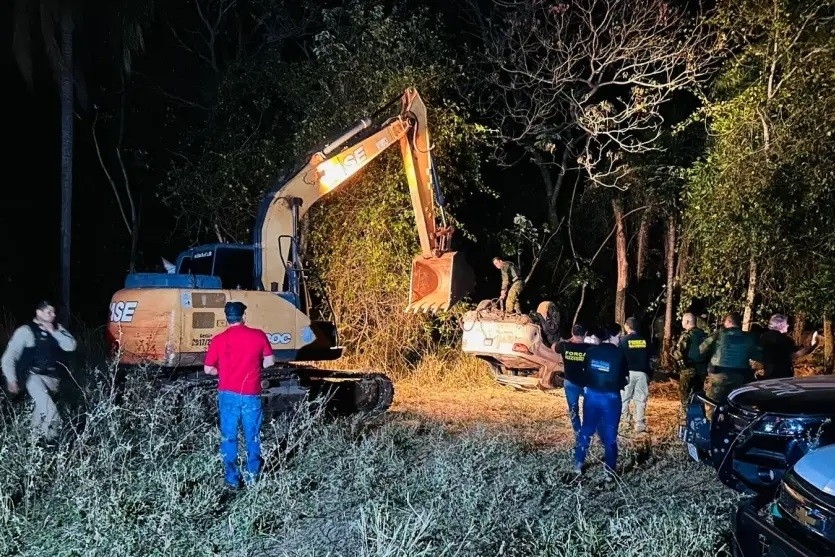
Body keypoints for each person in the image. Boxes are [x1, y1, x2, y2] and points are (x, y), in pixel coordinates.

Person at [204, 301, 275, 490]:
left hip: (227, 394)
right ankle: (252, 478)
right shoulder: (258, 335)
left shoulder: (218, 339)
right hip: (251, 393)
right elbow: (269, 362)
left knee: (229, 437)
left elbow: (208, 369)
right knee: (252, 436)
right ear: (244, 316)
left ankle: (232, 480)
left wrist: (223, 372)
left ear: (227, 318)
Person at [1, 300, 77, 443]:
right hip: (34, 378)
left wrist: (53, 332)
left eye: (54, 312)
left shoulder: (57, 328)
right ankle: (54, 444)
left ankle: (31, 445)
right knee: (51, 413)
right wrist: (11, 379)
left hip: (54, 379)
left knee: (38, 416)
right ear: (39, 312)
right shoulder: (26, 331)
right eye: (49, 312)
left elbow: (71, 346)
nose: (53, 315)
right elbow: (9, 356)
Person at [573, 326, 630, 480]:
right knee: (610, 435)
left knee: (586, 431)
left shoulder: (590, 352)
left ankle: (578, 464)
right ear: (612, 336)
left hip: (591, 396)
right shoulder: (620, 354)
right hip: (611, 398)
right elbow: (625, 378)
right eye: (619, 336)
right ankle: (609, 472)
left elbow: (585, 371)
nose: (620, 338)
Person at [698, 312, 762, 408]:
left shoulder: (718, 335)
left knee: (712, 407)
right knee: (739, 407)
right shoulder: (749, 338)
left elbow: (701, 350)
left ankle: (713, 422)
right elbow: (758, 356)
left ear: (728, 322)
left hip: (718, 377)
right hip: (740, 378)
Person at [758, 314, 819, 380]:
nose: (788, 325)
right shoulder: (782, 338)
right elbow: (794, 355)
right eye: (786, 323)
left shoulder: (764, 336)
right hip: (782, 373)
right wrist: (810, 347)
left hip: (768, 371)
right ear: (780, 325)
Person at [555, 324, 590, 437]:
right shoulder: (589, 348)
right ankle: (589, 428)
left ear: (572, 333)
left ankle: (577, 431)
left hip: (570, 382)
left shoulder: (564, 346)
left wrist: (568, 340)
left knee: (573, 408)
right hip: (586, 383)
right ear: (585, 334)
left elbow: (553, 347)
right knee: (590, 406)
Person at [618, 317, 651, 434]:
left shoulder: (623, 340)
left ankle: (625, 423)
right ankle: (639, 424)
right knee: (640, 400)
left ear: (627, 326)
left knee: (624, 399)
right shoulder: (644, 340)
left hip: (627, 374)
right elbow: (649, 358)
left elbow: (619, 358)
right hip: (642, 374)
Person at [672, 312, 708, 415]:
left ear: (687, 321)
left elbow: (679, 353)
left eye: (683, 320)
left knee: (685, 394)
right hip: (702, 370)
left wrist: (675, 356)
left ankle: (685, 415)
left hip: (688, 369)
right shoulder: (704, 335)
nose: (682, 322)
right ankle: (698, 414)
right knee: (699, 394)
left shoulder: (686, 335)